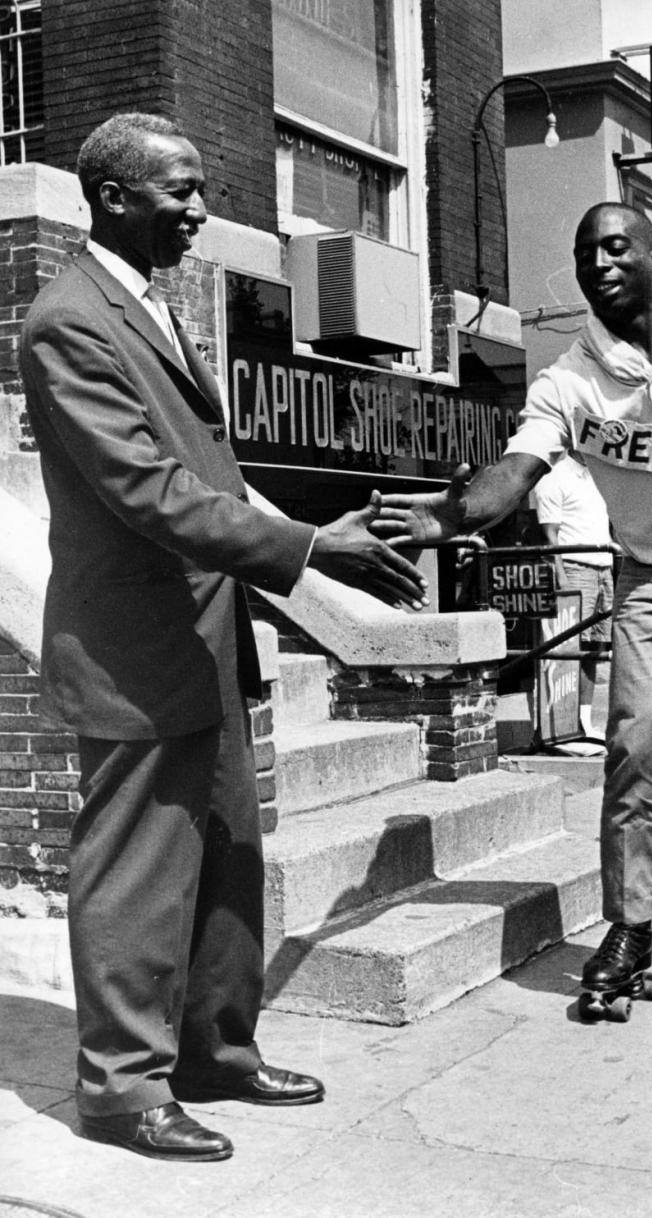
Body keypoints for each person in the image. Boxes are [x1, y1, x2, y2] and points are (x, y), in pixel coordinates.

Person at [20, 112, 428, 1163]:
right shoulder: (69, 319)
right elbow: (147, 491)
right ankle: (120, 1086)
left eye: (199, 190)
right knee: (137, 872)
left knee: (227, 859)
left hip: (202, 633)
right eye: (181, 191)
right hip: (134, 644)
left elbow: (203, 472)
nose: (201, 210)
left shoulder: (150, 301)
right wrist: (302, 546)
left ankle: (215, 1050)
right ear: (112, 197)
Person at [373, 202, 652, 1019]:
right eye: (587, 252)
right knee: (633, 744)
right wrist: (447, 518)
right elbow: (515, 473)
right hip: (647, 574)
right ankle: (630, 929)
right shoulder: (568, 378)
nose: (601, 263)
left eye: (618, 246)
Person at [532, 453, 614, 742]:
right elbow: (550, 535)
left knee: (594, 647)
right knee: (569, 646)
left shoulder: (599, 476)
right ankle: (559, 726)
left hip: (604, 567)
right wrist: (562, 578)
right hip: (576, 567)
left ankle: (585, 721)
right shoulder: (555, 477)